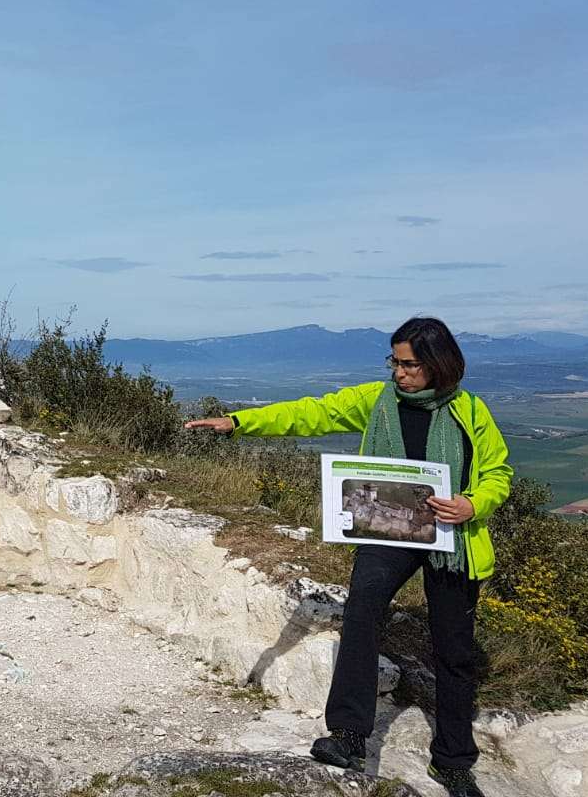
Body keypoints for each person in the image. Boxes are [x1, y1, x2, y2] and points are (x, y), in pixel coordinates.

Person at [185, 316, 511, 797]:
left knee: (455, 650)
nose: (399, 373)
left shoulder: (471, 411)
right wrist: (238, 423)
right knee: (361, 611)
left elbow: (498, 474)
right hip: (387, 531)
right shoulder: (376, 402)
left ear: (438, 364)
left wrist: (472, 504)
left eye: (409, 365)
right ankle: (348, 735)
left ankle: (454, 763)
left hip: (452, 540)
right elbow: (311, 413)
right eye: (394, 362)